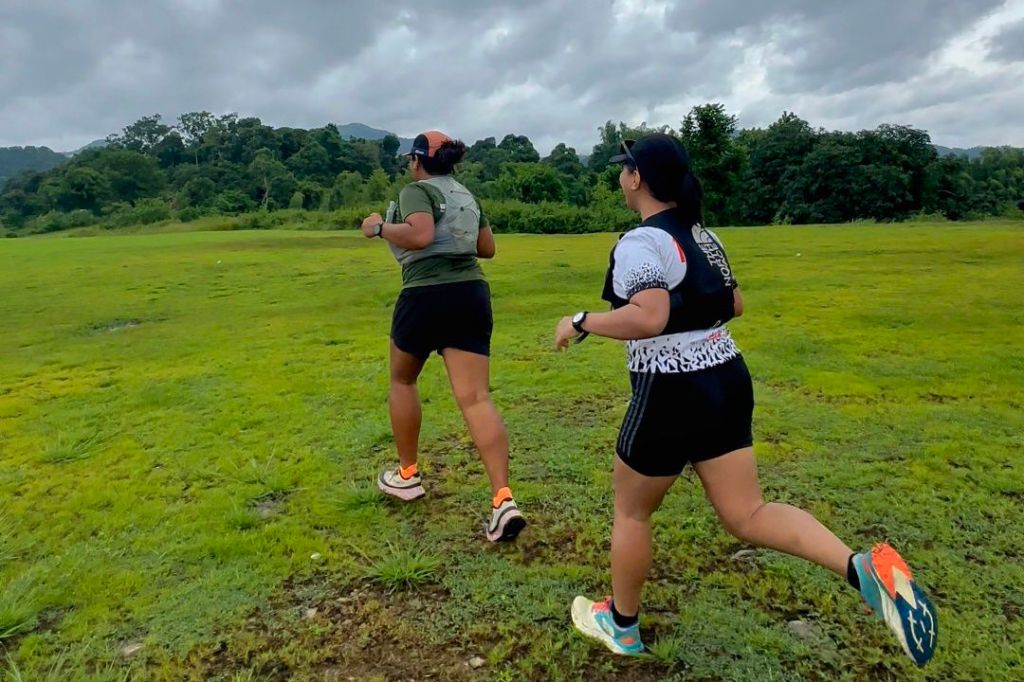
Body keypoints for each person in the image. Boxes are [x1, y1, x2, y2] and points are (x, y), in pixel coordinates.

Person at [554, 134, 937, 666]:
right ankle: (862, 569)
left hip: (672, 387)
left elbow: (648, 317)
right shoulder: (701, 234)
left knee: (631, 510)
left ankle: (620, 627)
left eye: (624, 169)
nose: (620, 177)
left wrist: (581, 322)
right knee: (748, 512)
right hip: (726, 375)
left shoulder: (640, 242)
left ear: (637, 178)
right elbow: (733, 302)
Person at [360, 130, 526, 543]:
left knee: (402, 379)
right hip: (471, 293)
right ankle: (503, 499)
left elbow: (419, 236)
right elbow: (486, 248)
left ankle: (407, 474)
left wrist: (380, 228)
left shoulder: (417, 192)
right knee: (476, 398)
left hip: (425, 294)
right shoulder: (467, 196)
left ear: (418, 161)